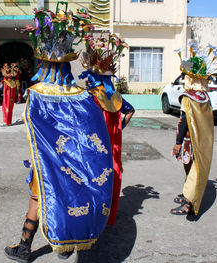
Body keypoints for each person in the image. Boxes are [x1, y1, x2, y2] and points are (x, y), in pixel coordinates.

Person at [4, 7, 110, 263]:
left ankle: (25, 247)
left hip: (46, 160)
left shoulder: (37, 93)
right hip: (74, 161)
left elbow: (33, 125)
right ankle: (67, 242)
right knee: (70, 194)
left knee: (38, 198)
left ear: (44, 63)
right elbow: (94, 127)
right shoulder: (82, 95)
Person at [78, 33, 133, 226]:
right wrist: (119, 127)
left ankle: (94, 217)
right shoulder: (115, 96)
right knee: (114, 176)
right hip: (114, 152)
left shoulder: (91, 96)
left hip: (94, 152)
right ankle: (110, 217)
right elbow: (130, 111)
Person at [170, 44, 217, 216]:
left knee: (190, 169)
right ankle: (187, 195)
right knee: (192, 169)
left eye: (185, 76)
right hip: (201, 142)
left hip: (190, 141)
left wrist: (177, 143)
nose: (183, 79)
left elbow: (185, 121)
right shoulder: (205, 97)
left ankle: (189, 204)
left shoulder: (189, 97)